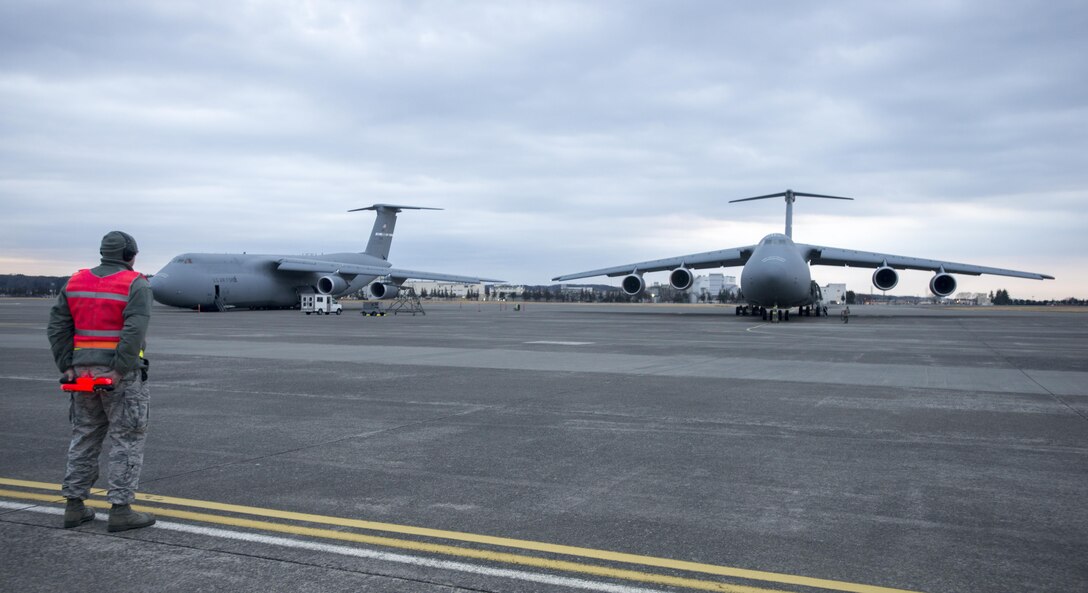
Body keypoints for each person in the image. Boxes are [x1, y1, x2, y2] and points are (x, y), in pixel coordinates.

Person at [47, 231, 155, 532]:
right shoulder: (136, 283)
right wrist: (119, 370)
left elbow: (57, 328)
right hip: (120, 375)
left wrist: (67, 366)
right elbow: (133, 332)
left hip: (81, 375)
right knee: (127, 439)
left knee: (84, 436)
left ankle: (74, 506)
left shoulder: (75, 282)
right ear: (131, 254)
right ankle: (121, 510)